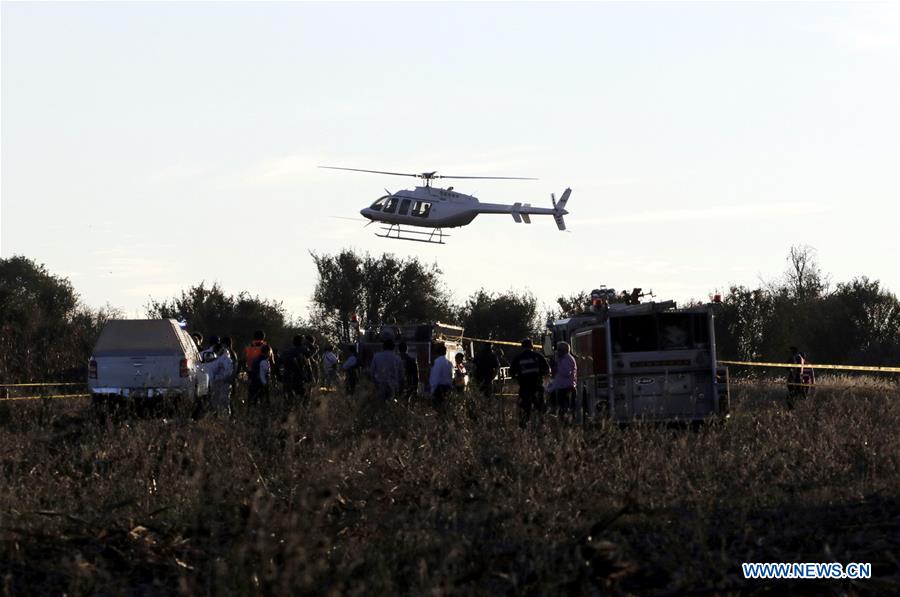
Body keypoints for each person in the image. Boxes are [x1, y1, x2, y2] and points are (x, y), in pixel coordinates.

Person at [509, 338, 550, 427]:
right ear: (532, 346)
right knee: (540, 409)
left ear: (522, 347)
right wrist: (539, 374)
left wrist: (518, 377)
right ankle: (541, 428)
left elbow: (511, 372)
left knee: (524, 409)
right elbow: (547, 370)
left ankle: (523, 428)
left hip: (524, 387)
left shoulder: (518, 358)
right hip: (537, 386)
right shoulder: (538, 356)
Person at [546, 341, 577, 419]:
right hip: (561, 388)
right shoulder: (562, 359)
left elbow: (566, 373)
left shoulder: (567, 359)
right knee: (560, 410)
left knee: (565, 410)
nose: (557, 352)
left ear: (565, 350)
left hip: (566, 388)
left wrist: (556, 366)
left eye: (559, 350)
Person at [205, 338, 234, 415]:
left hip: (223, 384)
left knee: (223, 402)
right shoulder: (212, 356)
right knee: (214, 401)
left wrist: (216, 377)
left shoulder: (225, 358)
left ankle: (225, 418)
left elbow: (228, 372)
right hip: (213, 383)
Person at [280, 335, 309, 401]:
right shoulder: (304, 349)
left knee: (288, 394)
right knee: (302, 393)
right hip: (298, 374)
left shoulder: (287, 351)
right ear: (301, 341)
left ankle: (289, 407)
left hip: (287, 374)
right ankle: (303, 408)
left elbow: (280, 361)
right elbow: (310, 356)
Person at [429, 343, 453, 408]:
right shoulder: (449, 363)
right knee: (445, 408)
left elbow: (435, 378)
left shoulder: (437, 362)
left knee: (438, 409)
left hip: (439, 390)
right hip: (448, 388)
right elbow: (451, 377)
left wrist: (432, 390)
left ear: (437, 352)